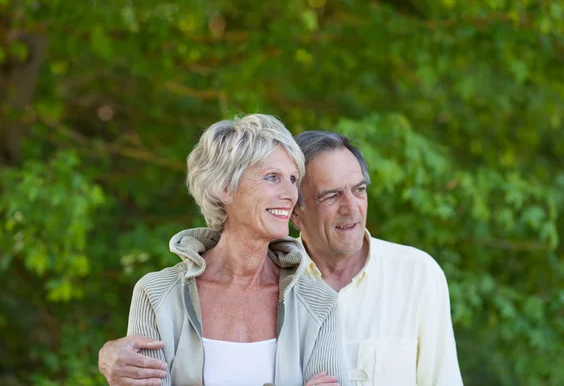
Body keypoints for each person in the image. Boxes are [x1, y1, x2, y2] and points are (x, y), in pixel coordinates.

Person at [99, 129, 463, 385]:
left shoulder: (326, 299)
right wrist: (107, 357)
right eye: (330, 195)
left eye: (360, 190)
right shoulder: (158, 294)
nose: (352, 209)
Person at [106, 115, 347, 386]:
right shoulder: (157, 295)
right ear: (226, 188)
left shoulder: (319, 305)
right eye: (272, 177)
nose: (291, 193)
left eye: (293, 179)